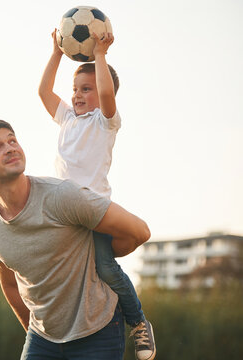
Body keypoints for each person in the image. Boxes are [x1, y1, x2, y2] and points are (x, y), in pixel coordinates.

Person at [0, 119, 151, 360]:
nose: (10, 147)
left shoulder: (63, 196)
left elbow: (139, 231)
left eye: (12, 140)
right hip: (42, 339)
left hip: (98, 331)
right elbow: (10, 285)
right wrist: (34, 335)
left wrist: (95, 257)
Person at [38, 29, 155, 360]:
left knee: (105, 268)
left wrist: (101, 55)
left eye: (85, 90)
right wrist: (57, 53)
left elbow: (106, 93)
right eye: (75, 89)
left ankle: (138, 323)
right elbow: (43, 91)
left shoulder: (105, 122)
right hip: (63, 213)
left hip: (94, 211)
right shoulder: (67, 120)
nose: (77, 95)